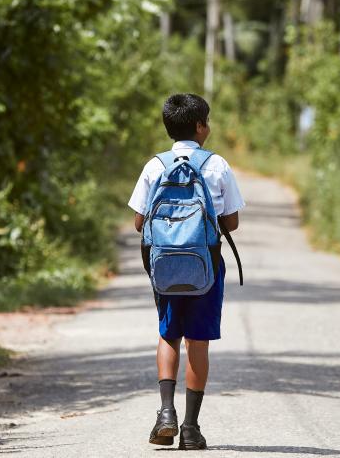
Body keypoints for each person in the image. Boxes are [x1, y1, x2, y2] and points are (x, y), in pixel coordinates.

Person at [127, 93, 245, 450]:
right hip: (206, 265)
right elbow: (233, 222)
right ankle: (191, 429)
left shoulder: (154, 166)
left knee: (168, 335)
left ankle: (166, 414)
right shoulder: (217, 165)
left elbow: (138, 222)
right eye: (207, 121)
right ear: (199, 127)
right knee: (198, 340)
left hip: (165, 267)